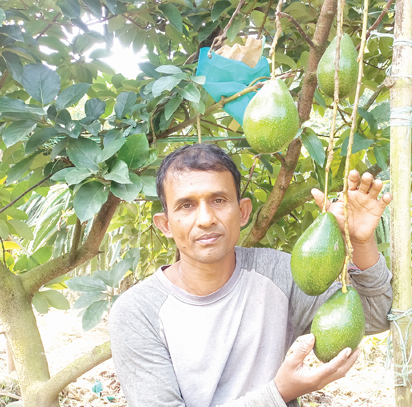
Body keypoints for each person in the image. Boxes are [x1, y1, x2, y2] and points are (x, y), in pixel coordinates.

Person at [109, 144, 393, 407]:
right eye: (187, 205)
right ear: (165, 224)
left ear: (243, 212)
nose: (206, 219)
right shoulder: (137, 312)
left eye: (218, 200)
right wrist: (279, 393)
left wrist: (360, 242)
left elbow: (376, 316)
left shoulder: (279, 274)